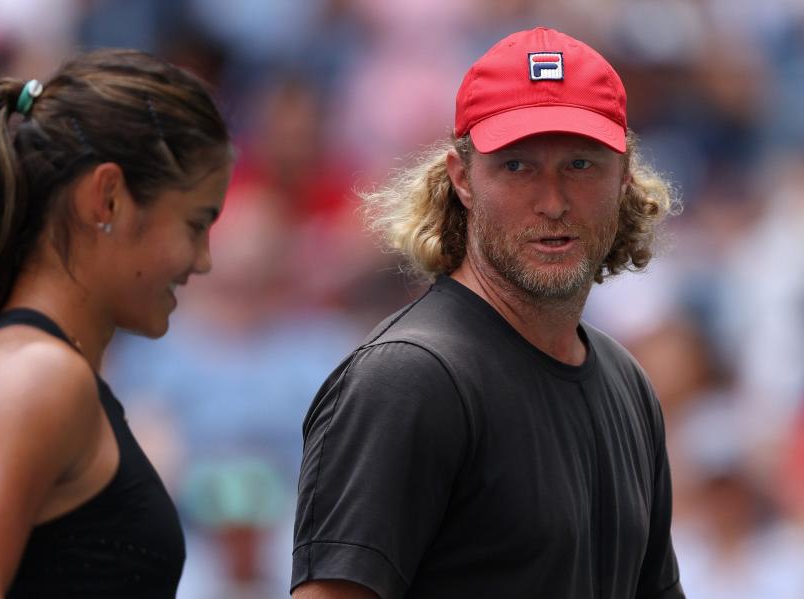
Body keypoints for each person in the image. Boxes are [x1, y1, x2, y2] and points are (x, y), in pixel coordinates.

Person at [291, 27, 685, 598]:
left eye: (580, 164)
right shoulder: (407, 378)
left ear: (623, 179)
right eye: (518, 167)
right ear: (462, 179)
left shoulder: (628, 384)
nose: (552, 202)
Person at [0, 49, 232, 597]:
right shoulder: (34, 375)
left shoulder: (46, 372)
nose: (203, 259)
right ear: (107, 198)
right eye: (195, 223)